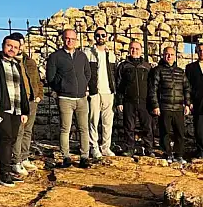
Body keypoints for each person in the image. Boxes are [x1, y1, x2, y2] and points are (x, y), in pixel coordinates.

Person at [0, 36, 30, 187]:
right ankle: (3, 174)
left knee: (12, 139)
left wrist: (25, 110)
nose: (12, 49)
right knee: (5, 138)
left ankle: (7, 170)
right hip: (2, 107)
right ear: (3, 46)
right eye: (9, 45)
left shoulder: (16, 65)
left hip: (16, 108)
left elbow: (22, 89)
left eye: (15, 47)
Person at [46, 28, 91, 168]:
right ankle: (66, 156)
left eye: (72, 38)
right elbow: (50, 78)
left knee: (84, 129)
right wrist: (61, 86)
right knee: (65, 129)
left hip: (81, 98)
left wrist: (83, 86)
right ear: (63, 39)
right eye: (67, 38)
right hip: (65, 98)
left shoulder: (82, 56)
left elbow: (87, 74)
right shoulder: (55, 56)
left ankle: (84, 157)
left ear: (76, 40)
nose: (70, 41)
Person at [8, 33, 43, 177]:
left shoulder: (30, 61)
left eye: (21, 44)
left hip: (31, 100)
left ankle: (24, 156)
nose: (20, 46)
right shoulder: (9, 62)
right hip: (17, 101)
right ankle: (16, 161)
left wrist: (39, 94)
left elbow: (37, 80)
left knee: (28, 131)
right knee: (18, 132)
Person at [149, 46, 190, 164]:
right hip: (164, 107)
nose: (169, 56)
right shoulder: (158, 70)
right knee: (165, 132)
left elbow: (187, 88)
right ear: (163, 55)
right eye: (167, 54)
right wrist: (155, 105)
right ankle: (167, 154)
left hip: (178, 107)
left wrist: (187, 104)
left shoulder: (180, 71)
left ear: (175, 56)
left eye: (171, 54)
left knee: (180, 133)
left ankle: (179, 155)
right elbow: (153, 89)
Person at [115, 41, 154, 157]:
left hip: (145, 101)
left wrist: (152, 101)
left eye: (137, 49)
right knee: (129, 127)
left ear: (141, 50)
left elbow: (152, 85)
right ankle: (129, 148)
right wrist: (119, 101)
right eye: (132, 48)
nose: (134, 51)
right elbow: (118, 84)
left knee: (147, 127)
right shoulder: (123, 66)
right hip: (128, 101)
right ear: (128, 50)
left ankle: (149, 149)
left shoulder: (147, 66)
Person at [84, 27, 116, 158]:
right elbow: (84, 72)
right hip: (94, 91)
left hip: (108, 92)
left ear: (107, 37)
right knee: (93, 120)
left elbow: (113, 74)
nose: (100, 38)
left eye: (103, 35)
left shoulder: (111, 55)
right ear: (94, 37)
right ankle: (94, 147)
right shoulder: (88, 53)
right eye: (98, 35)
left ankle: (106, 147)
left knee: (108, 122)